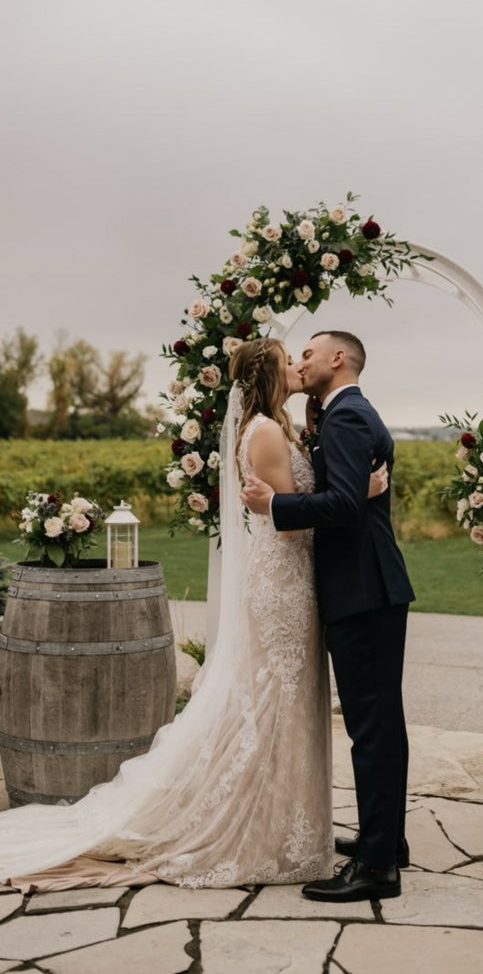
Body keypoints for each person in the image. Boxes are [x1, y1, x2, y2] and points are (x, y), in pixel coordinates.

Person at [0, 337, 385, 892]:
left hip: (288, 582)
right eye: (288, 361)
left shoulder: (277, 425)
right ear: (270, 376)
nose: (299, 367)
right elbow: (294, 523)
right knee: (275, 704)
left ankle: (284, 824)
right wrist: (361, 496)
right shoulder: (269, 432)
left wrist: (341, 491)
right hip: (283, 586)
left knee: (279, 704)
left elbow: (303, 497)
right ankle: (263, 827)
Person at [242, 330, 414, 903]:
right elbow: (349, 496)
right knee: (382, 722)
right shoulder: (342, 415)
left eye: (309, 353)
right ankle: (387, 841)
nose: (301, 361)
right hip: (368, 588)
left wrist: (276, 506)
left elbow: (341, 505)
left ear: (338, 358)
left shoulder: (346, 418)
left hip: (361, 591)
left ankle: (376, 867)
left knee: (371, 728)